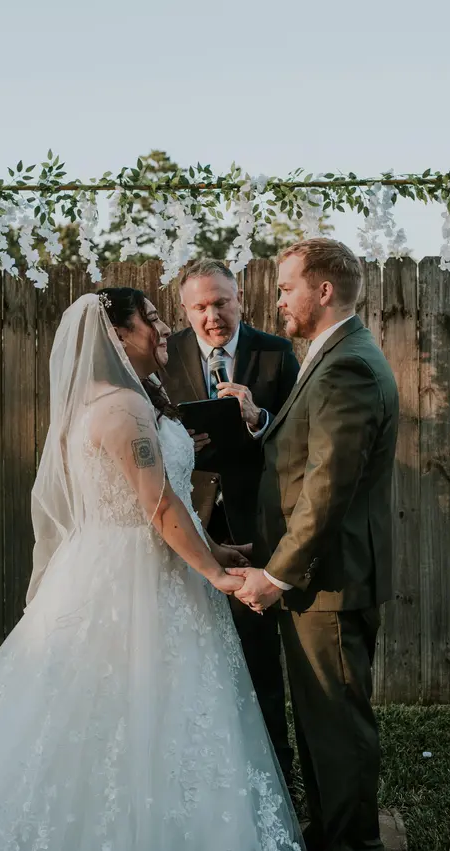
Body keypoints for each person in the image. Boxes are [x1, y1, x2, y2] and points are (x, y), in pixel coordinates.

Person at [0, 288, 302, 851]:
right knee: (118, 704)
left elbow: (153, 500)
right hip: (129, 583)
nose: (164, 329)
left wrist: (212, 551)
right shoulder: (122, 409)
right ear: (117, 335)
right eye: (151, 319)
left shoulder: (122, 401)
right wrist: (216, 576)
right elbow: (158, 506)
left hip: (146, 565)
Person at [228, 239, 399, 851]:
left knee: (338, 726)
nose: (277, 300)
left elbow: (327, 489)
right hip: (319, 579)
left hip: (326, 580)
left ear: (323, 290)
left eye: (285, 288)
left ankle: (353, 842)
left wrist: (275, 577)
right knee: (321, 723)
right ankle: (328, 832)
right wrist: (261, 424)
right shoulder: (333, 354)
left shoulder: (348, 365)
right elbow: (308, 454)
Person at [162, 259, 299, 780]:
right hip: (186, 524)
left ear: (239, 298)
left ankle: (276, 778)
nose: (212, 316)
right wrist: (180, 443)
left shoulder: (276, 352)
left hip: (253, 526)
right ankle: (198, 778)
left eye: (220, 302)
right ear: (184, 310)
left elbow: (298, 437)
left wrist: (258, 419)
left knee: (259, 657)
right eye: (199, 306)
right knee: (188, 655)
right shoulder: (165, 352)